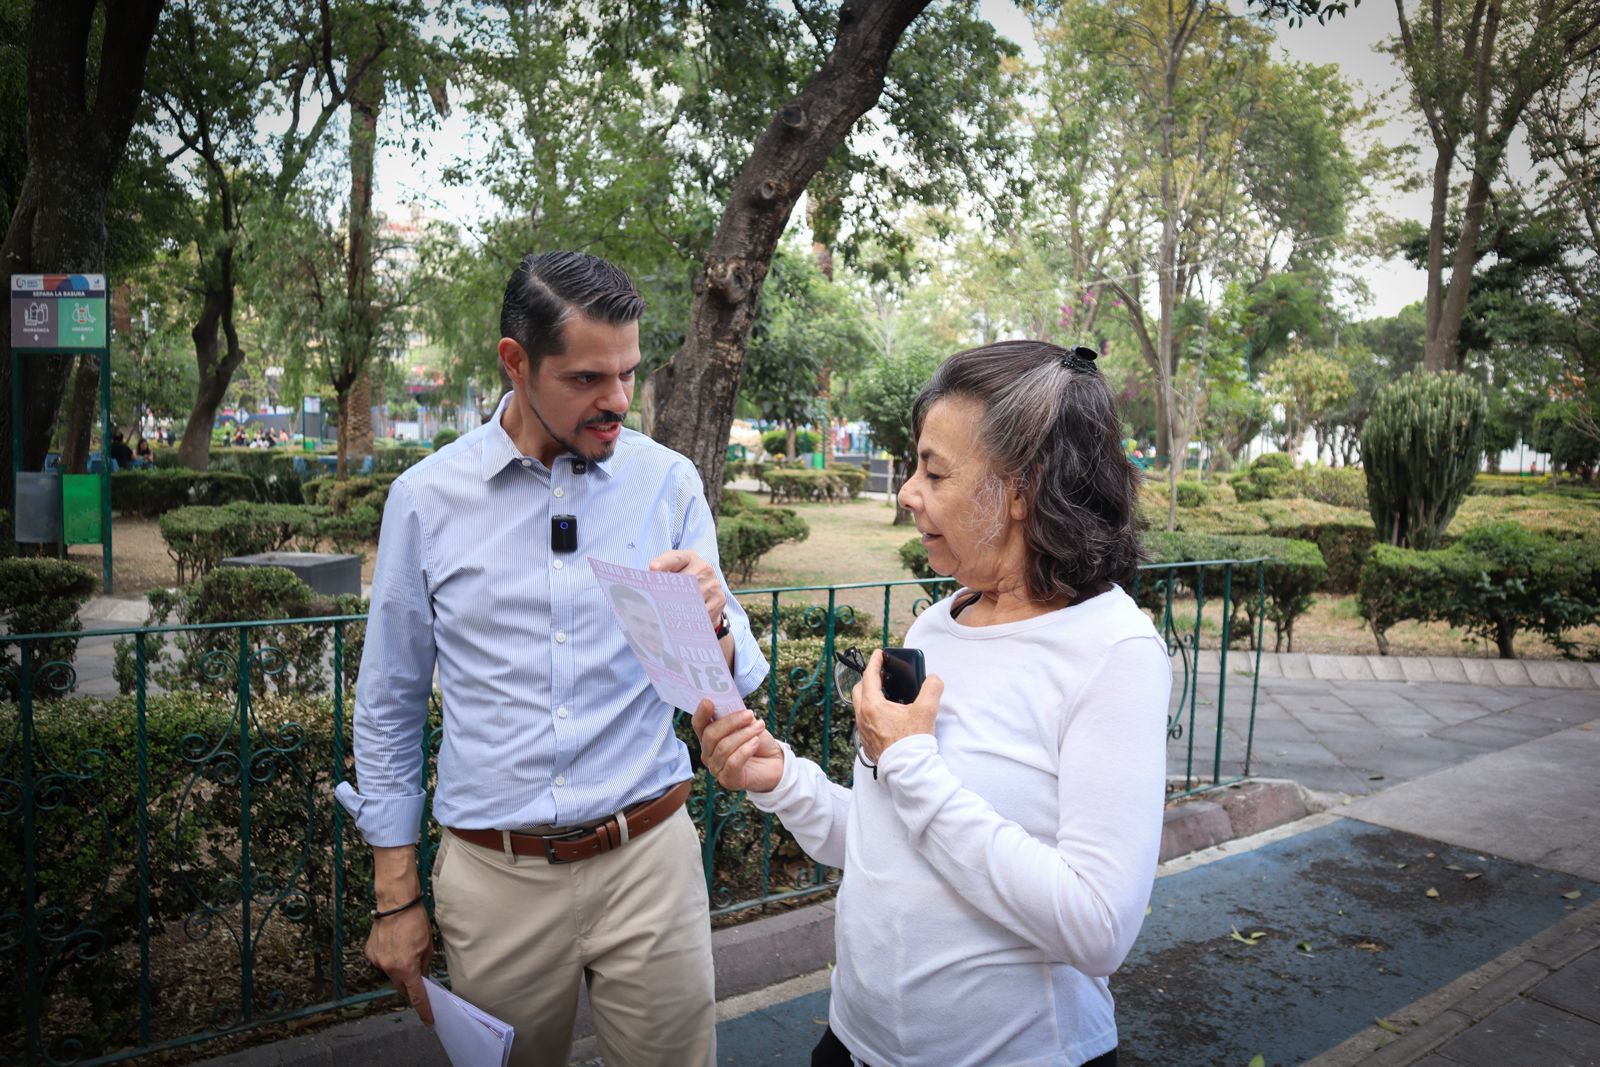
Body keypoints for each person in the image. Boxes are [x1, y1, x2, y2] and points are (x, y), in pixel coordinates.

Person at [336, 251, 767, 1067]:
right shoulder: (426, 500)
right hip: (497, 879)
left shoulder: (667, 483)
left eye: (627, 373)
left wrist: (713, 620)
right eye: (586, 378)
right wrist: (395, 898)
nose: (617, 400)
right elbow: (389, 703)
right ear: (516, 361)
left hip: (650, 861)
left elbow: (718, 688)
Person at [693, 340, 1172, 1067]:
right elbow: (887, 842)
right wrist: (783, 780)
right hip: (852, 1045)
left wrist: (911, 764)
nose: (907, 492)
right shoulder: (936, 626)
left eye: (935, 471)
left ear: (1023, 490)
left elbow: (1098, 927)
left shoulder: (1114, 651)